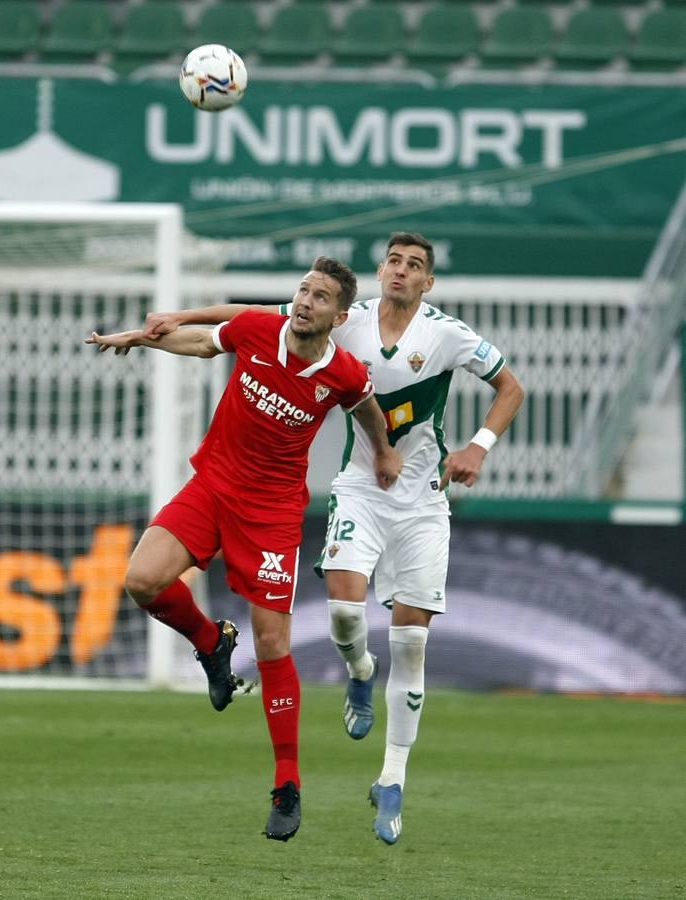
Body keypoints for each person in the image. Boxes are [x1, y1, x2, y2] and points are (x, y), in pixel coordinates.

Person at [141, 233, 525, 845]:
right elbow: (248, 322)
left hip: (423, 499)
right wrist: (173, 320)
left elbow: (511, 387)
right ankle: (357, 668)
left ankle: (389, 778)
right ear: (379, 271)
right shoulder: (347, 322)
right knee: (346, 616)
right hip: (359, 488)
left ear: (428, 283)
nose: (401, 271)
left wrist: (478, 447)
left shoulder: (447, 334)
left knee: (411, 644)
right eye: (394, 261)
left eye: (415, 266)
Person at [86, 257, 402, 843]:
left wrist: (383, 452)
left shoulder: (345, 373)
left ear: (338, 315)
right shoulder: (260, 330)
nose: (307, 300)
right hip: (212, 486)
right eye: (304, 290)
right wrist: (145, 337)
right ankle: (212, 644)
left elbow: (366, 409)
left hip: (272, 515)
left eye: (322, 296)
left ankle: (287, 784)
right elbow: (207, 341)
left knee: (275, 643)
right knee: (142, 580)